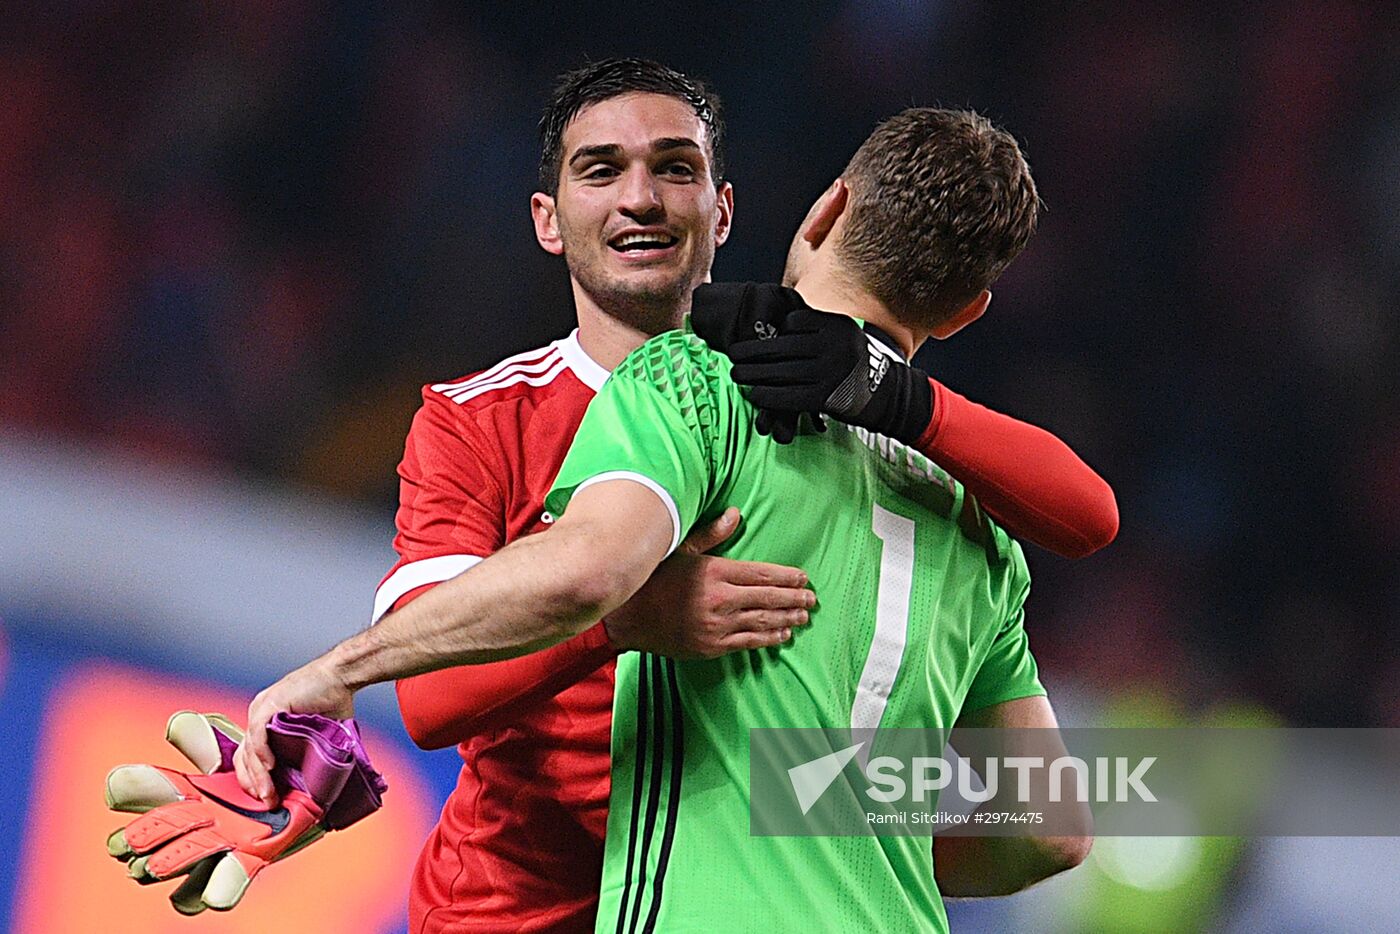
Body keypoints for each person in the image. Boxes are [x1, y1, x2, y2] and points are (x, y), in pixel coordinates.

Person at [242, 61, 1114, 932]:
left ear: (741, 211)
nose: (640, 198)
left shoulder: (693, 389)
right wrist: (840, 853)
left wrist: (334, 672)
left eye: (674, 168)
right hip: (518, 916)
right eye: (599, 170)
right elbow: (434, 701)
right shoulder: (479, 421)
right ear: (546, 221)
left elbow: (581, 571)